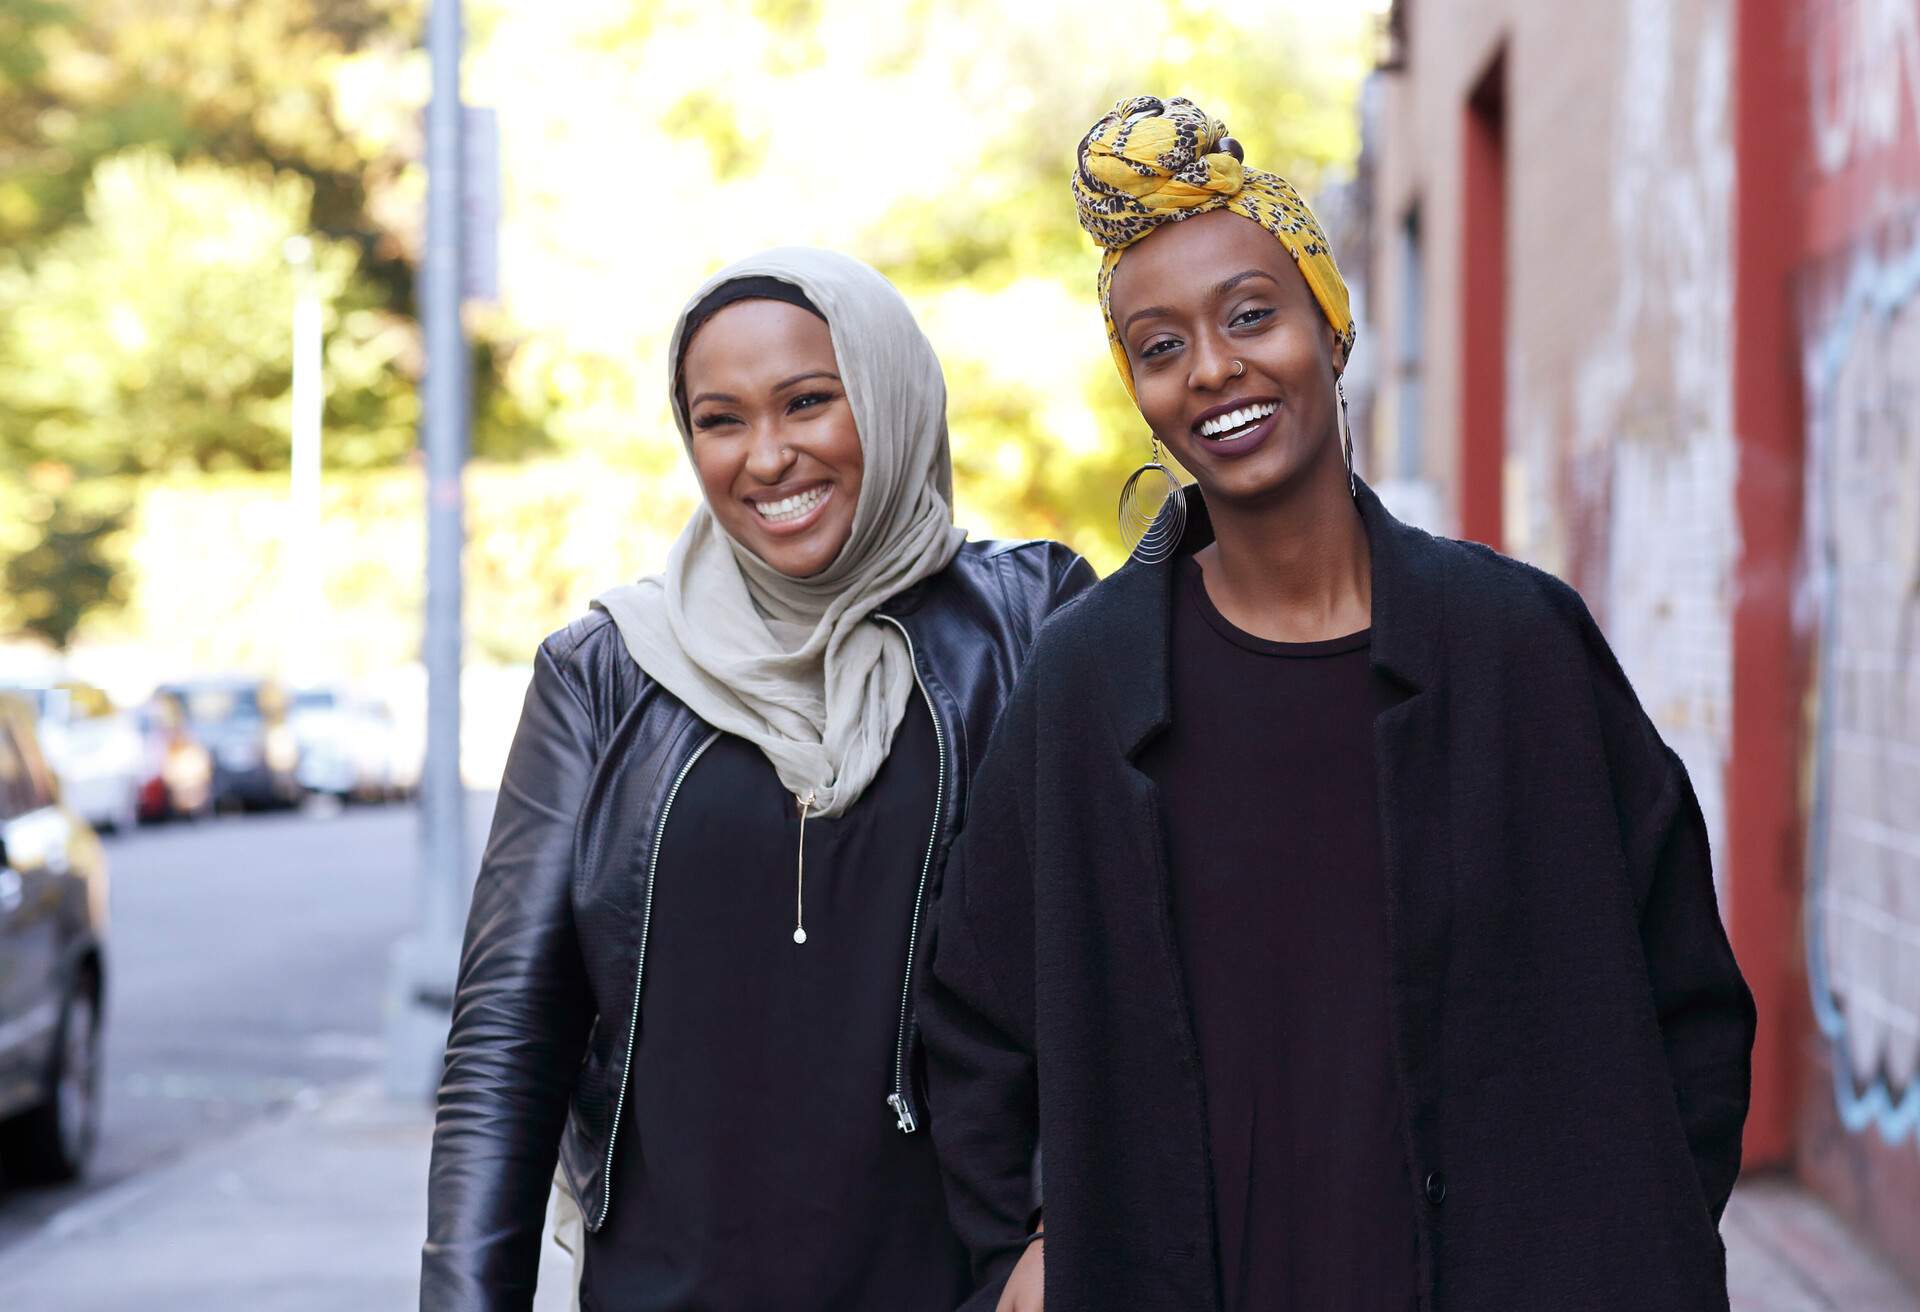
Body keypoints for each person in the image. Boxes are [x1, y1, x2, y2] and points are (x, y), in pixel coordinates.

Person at [920, 95, 1757, 1312]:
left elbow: (1686, 989)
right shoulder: (1087, 682)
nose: (1212, 369)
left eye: (1250, 315)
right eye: (1159, 347)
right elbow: (976, 1014)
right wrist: (1020, 1251)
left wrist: (1631, 1236)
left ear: (1329, 319)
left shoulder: (1516, 645)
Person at [421, 247, 1094, 1312]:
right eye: (719, 419)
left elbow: (1115, 963)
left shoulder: (1030, 625)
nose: (767, 456)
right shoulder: (604, 673)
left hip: (961, 1286)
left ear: (889, 395)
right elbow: (509, 1034)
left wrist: (1067, 1229)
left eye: (809, 402)